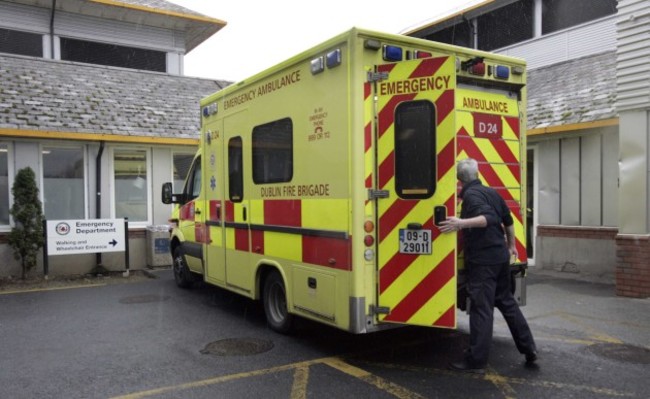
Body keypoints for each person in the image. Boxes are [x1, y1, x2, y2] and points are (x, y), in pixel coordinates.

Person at [439, 158, 537, 374]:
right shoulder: (491, 192)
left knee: (482, 309)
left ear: (459, 179)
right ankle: (529, 348)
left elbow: (489, 218)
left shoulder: (472, 196)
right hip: (500, 257)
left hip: (484, 261)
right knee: (506, 303)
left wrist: (460, 223)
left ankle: (477, 360)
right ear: (477, 174)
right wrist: (511, 245)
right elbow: (508, 219)